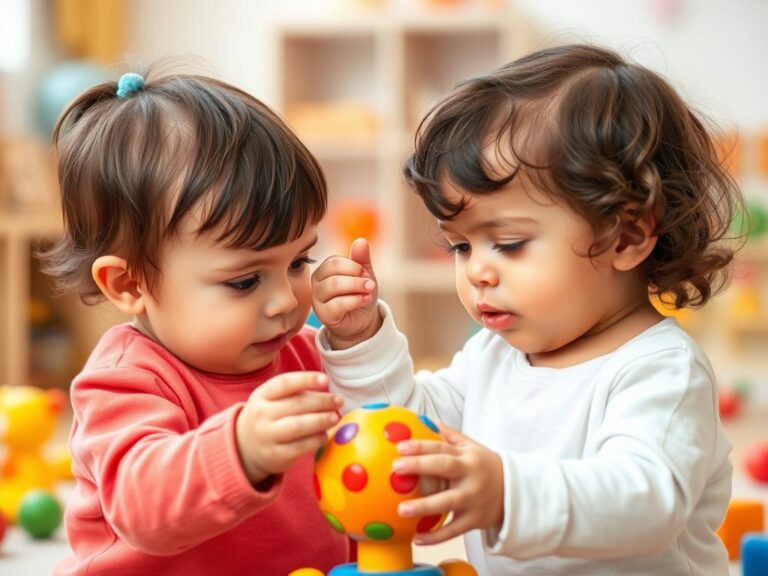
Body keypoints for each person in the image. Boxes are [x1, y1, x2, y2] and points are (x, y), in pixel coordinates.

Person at [311, 44, 743, 575]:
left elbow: (645, 500)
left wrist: (506, 490)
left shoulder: (661, 372)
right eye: (460, 246)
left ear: (627, 235)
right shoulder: (492, 356)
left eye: (509, 243)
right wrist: (362, 339)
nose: (477, 272)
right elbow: (408, 431)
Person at [42, 70, 350, 575]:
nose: (285, 301)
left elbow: (378, 417)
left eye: (298, 263)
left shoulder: (302, 351)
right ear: (129, 284)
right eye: (245, 281)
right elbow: (144, 507)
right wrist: (241, 449)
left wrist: (359, 338)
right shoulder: (124, 381)